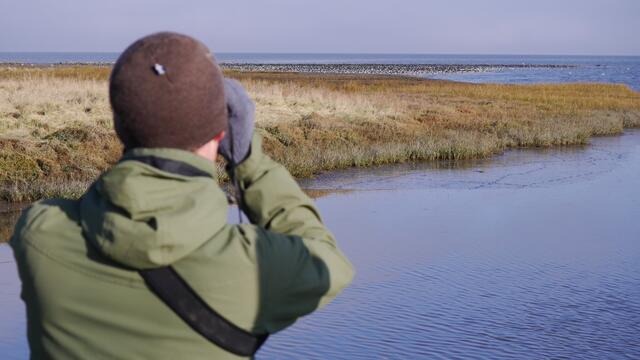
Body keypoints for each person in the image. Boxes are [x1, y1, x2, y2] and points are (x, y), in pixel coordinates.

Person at [10, 32, 354, 359]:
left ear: (117, 124)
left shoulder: (39, 234)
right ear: (221, 133)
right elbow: (330, 262)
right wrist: (249, 159)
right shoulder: (252, 266)